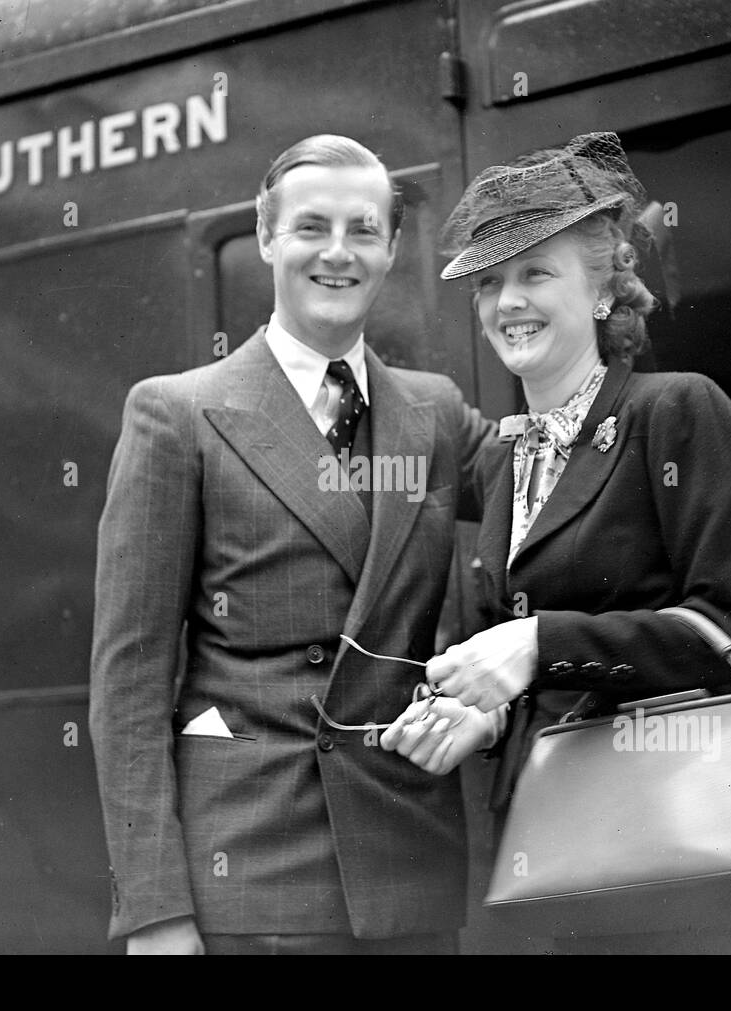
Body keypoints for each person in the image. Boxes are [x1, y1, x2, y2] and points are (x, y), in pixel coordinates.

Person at [379, 133, 731, 952]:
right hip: (558, 863)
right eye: (490, 282)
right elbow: (552, 677)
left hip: (680, 869)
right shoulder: (504, 457)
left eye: (537, 273)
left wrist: (536, 645)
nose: (508, 302)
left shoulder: (675, 411)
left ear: (603, 293)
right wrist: (485, 721)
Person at [88, 134, 497, 955]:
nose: (337, 253)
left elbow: (570, 481)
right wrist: (157, 914)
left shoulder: (435, 411)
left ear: (389, 250)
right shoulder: (177, 415)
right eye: (312, 227)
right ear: (268, 236)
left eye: (363, 230)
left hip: (405, 875)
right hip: (252, 879)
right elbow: (128, 681)